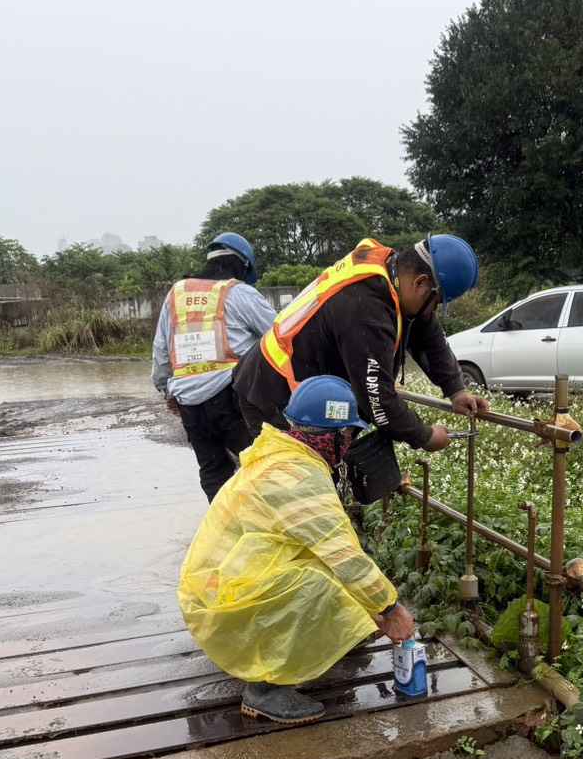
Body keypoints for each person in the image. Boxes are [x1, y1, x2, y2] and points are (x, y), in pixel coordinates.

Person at [177, 375, 418, 725]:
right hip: (223, 605)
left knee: (331, 579)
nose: (350, 444)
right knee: (319, 587)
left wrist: (373, 608)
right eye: (349, 435)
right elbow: (344, 556)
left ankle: (281, 655)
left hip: (218, 589)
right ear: (333, 436)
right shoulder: (297, 477)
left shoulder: (281, 456)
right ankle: (265, 689)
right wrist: (390, 607)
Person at [232, 234, 490, 454]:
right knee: (296, 485)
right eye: (436, 303)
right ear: (421, 283)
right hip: (272, 390)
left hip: (299, 386)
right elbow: (376, 398)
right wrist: (424, 436)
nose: (430, 312)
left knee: (325, 474)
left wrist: (456, 389)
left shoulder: (391, 270)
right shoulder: (366, 307)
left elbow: (427, 332)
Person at [152, 231, 276, 500]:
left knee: (213, 471)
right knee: (260, 465)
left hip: (189, 403)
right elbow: (280, 336)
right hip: (233, 396)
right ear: (242, 266)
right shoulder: (240, 293)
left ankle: (224, 532)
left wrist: (166, 391)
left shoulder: (176, 293)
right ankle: (265, 528)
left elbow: (161, 353)